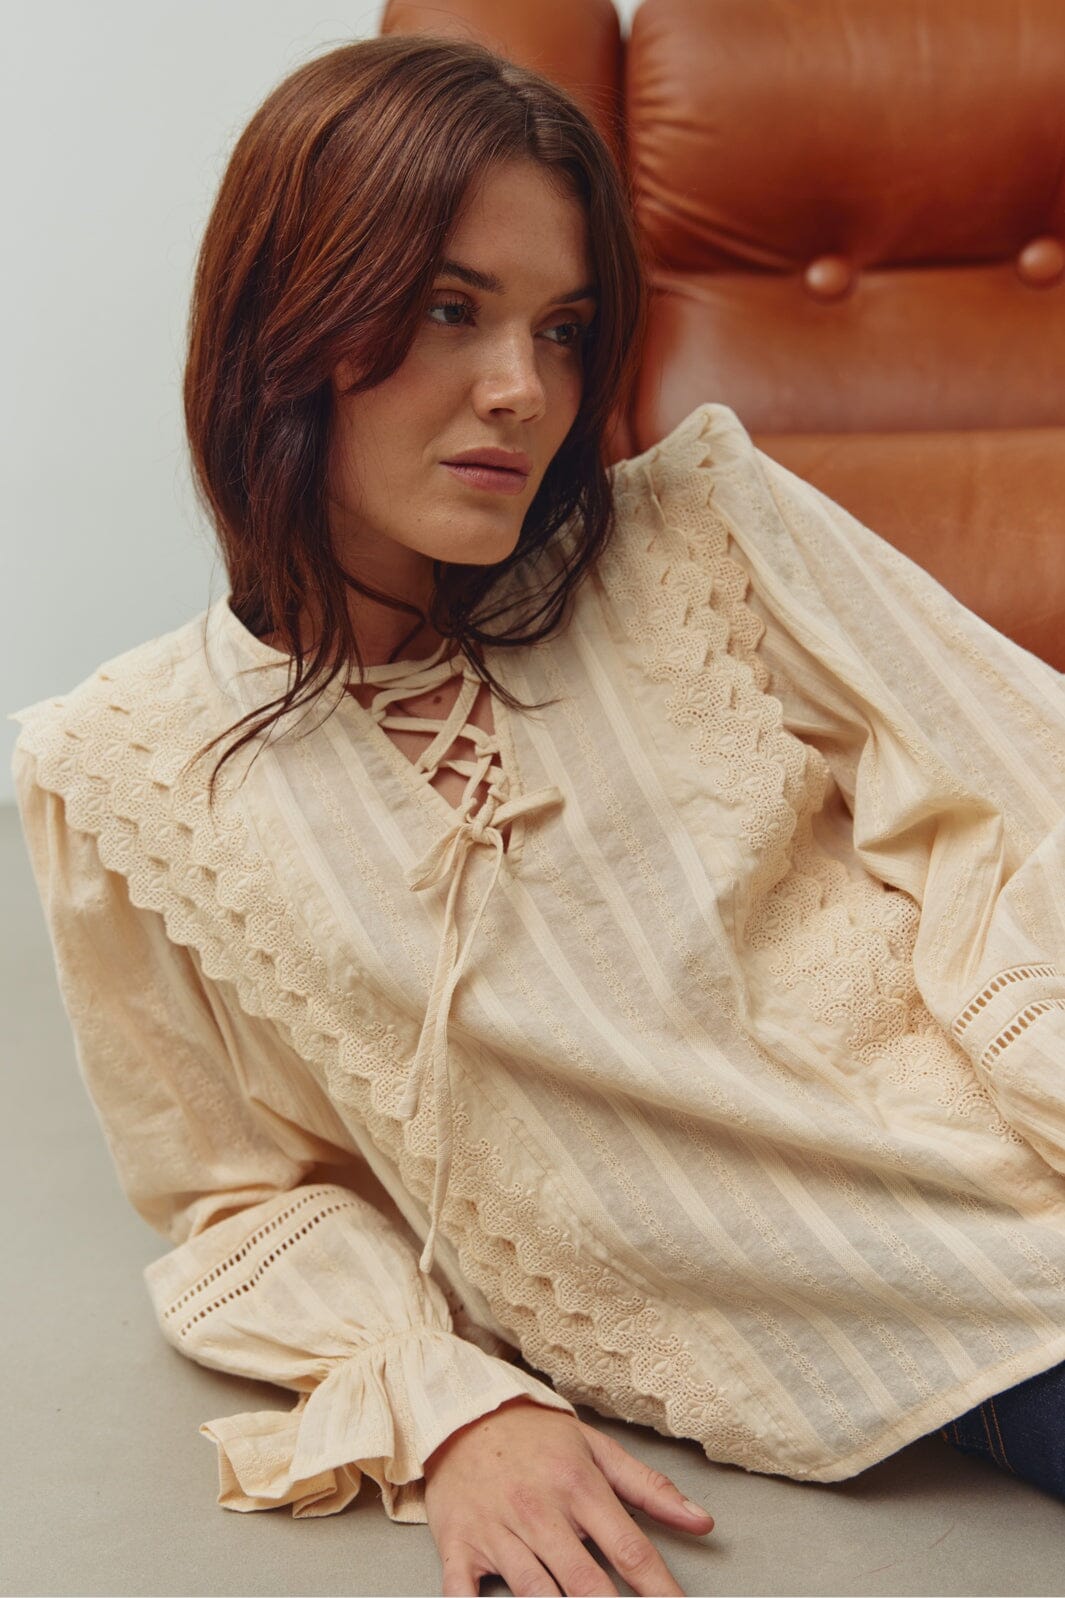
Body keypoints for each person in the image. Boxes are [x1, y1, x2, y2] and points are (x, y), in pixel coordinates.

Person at [10, 31, 1065, 1598]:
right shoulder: (124, 768)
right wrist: (453, 1407)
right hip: (921, 1346)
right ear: (286, 312)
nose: (523, 391)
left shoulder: (703, 523)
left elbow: (1022, 809)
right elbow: (241, 1195)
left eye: (563, 330)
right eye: (451, 309)